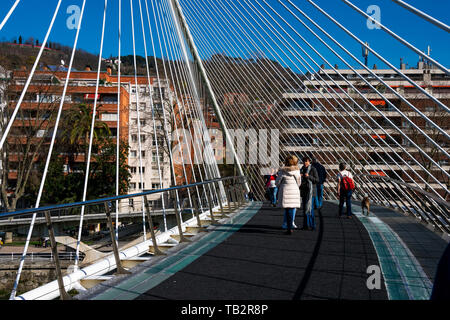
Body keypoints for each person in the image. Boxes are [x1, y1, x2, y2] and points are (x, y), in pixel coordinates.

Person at [276, 155, 301, 235]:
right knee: (292, 208)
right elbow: (299, 183)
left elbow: (277, 183)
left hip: (285, 191)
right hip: (294, 191)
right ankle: (290, 225)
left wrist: (282, 184)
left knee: (287, 210)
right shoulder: (297, 172)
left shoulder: (282, 171)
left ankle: (287, 226)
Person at [300, 156, 320, 230]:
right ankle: (305, 225)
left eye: (306, 161)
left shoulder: (313, 169)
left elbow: (317, 180)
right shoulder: (301, 169)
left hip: (311, 192)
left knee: (310, 209)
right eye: (304, 161)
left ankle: (312, 225)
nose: (305, 163)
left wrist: (309, 176)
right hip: (304, 191)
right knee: (305, 209)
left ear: (309, 162)